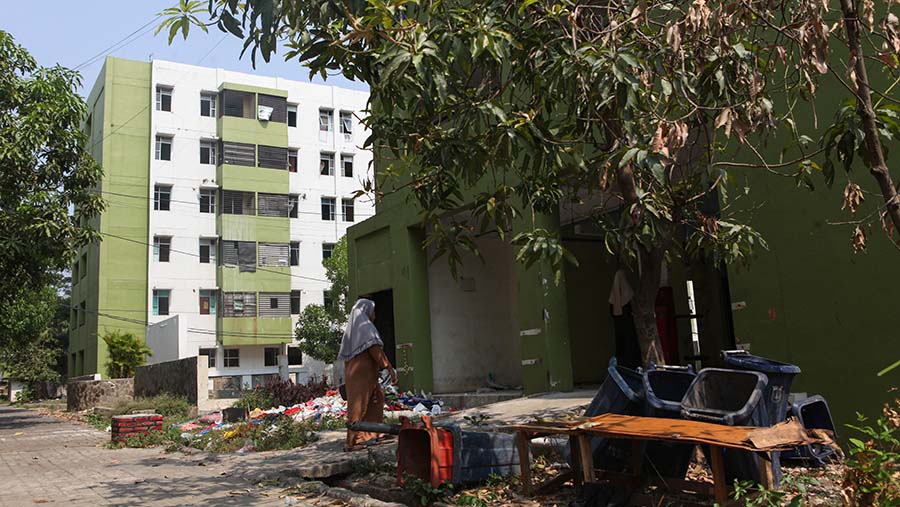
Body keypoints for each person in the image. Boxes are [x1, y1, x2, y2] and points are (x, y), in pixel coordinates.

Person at [338, 298, 397, 452]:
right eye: (373, 311)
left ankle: (373, 434)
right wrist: (388, 367)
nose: (375, 315)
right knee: (358, 406)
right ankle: (351, 442)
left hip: (368, 375)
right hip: (361, 376)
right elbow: (375, 350)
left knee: (376, 400)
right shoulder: (365, 329)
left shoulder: (355, 330)